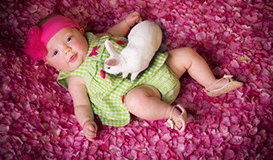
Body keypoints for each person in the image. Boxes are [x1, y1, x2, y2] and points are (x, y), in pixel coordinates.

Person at [24, 11, 243, 141]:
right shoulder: (75, 79)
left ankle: (212, 84)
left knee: (186, 53)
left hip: (156, 66)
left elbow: (115, 33)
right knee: (135, 101)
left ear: (80, 31)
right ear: (50, 64)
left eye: (68, 39)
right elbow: (81, 105)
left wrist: (127, 24)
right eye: (55, 53)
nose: (66, 51)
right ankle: (171, 113)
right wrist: (86, 122)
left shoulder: (98, 39)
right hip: (142, 92)